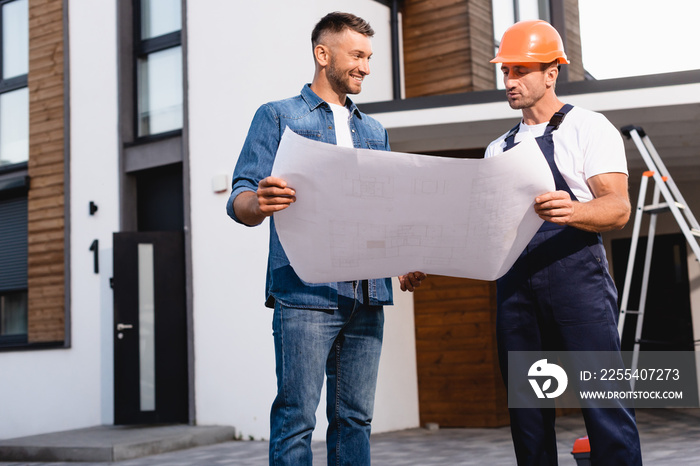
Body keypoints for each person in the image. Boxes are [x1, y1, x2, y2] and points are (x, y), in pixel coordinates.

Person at [226, 12, 425, 466]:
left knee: (355, 418)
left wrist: (402, 257)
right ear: (323, 54)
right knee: (297, 418)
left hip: (367, 293)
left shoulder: (375, 132)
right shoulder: (278, 116)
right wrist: (260, 202)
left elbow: (384, 211)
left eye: (369, 57)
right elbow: (240, 196)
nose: (366, 68)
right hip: (305, 291)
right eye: (357, 55)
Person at [486, 20, 642, 465]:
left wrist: (572, 210)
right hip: (515, 290)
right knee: (529, 413)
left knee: (604, 402)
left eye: (520, 70)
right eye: (505, 71)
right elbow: (486, 229)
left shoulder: (588, 128)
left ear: (552, 72)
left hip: (577, 283)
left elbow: (617, 208)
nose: (510, 81)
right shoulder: (498, 148)